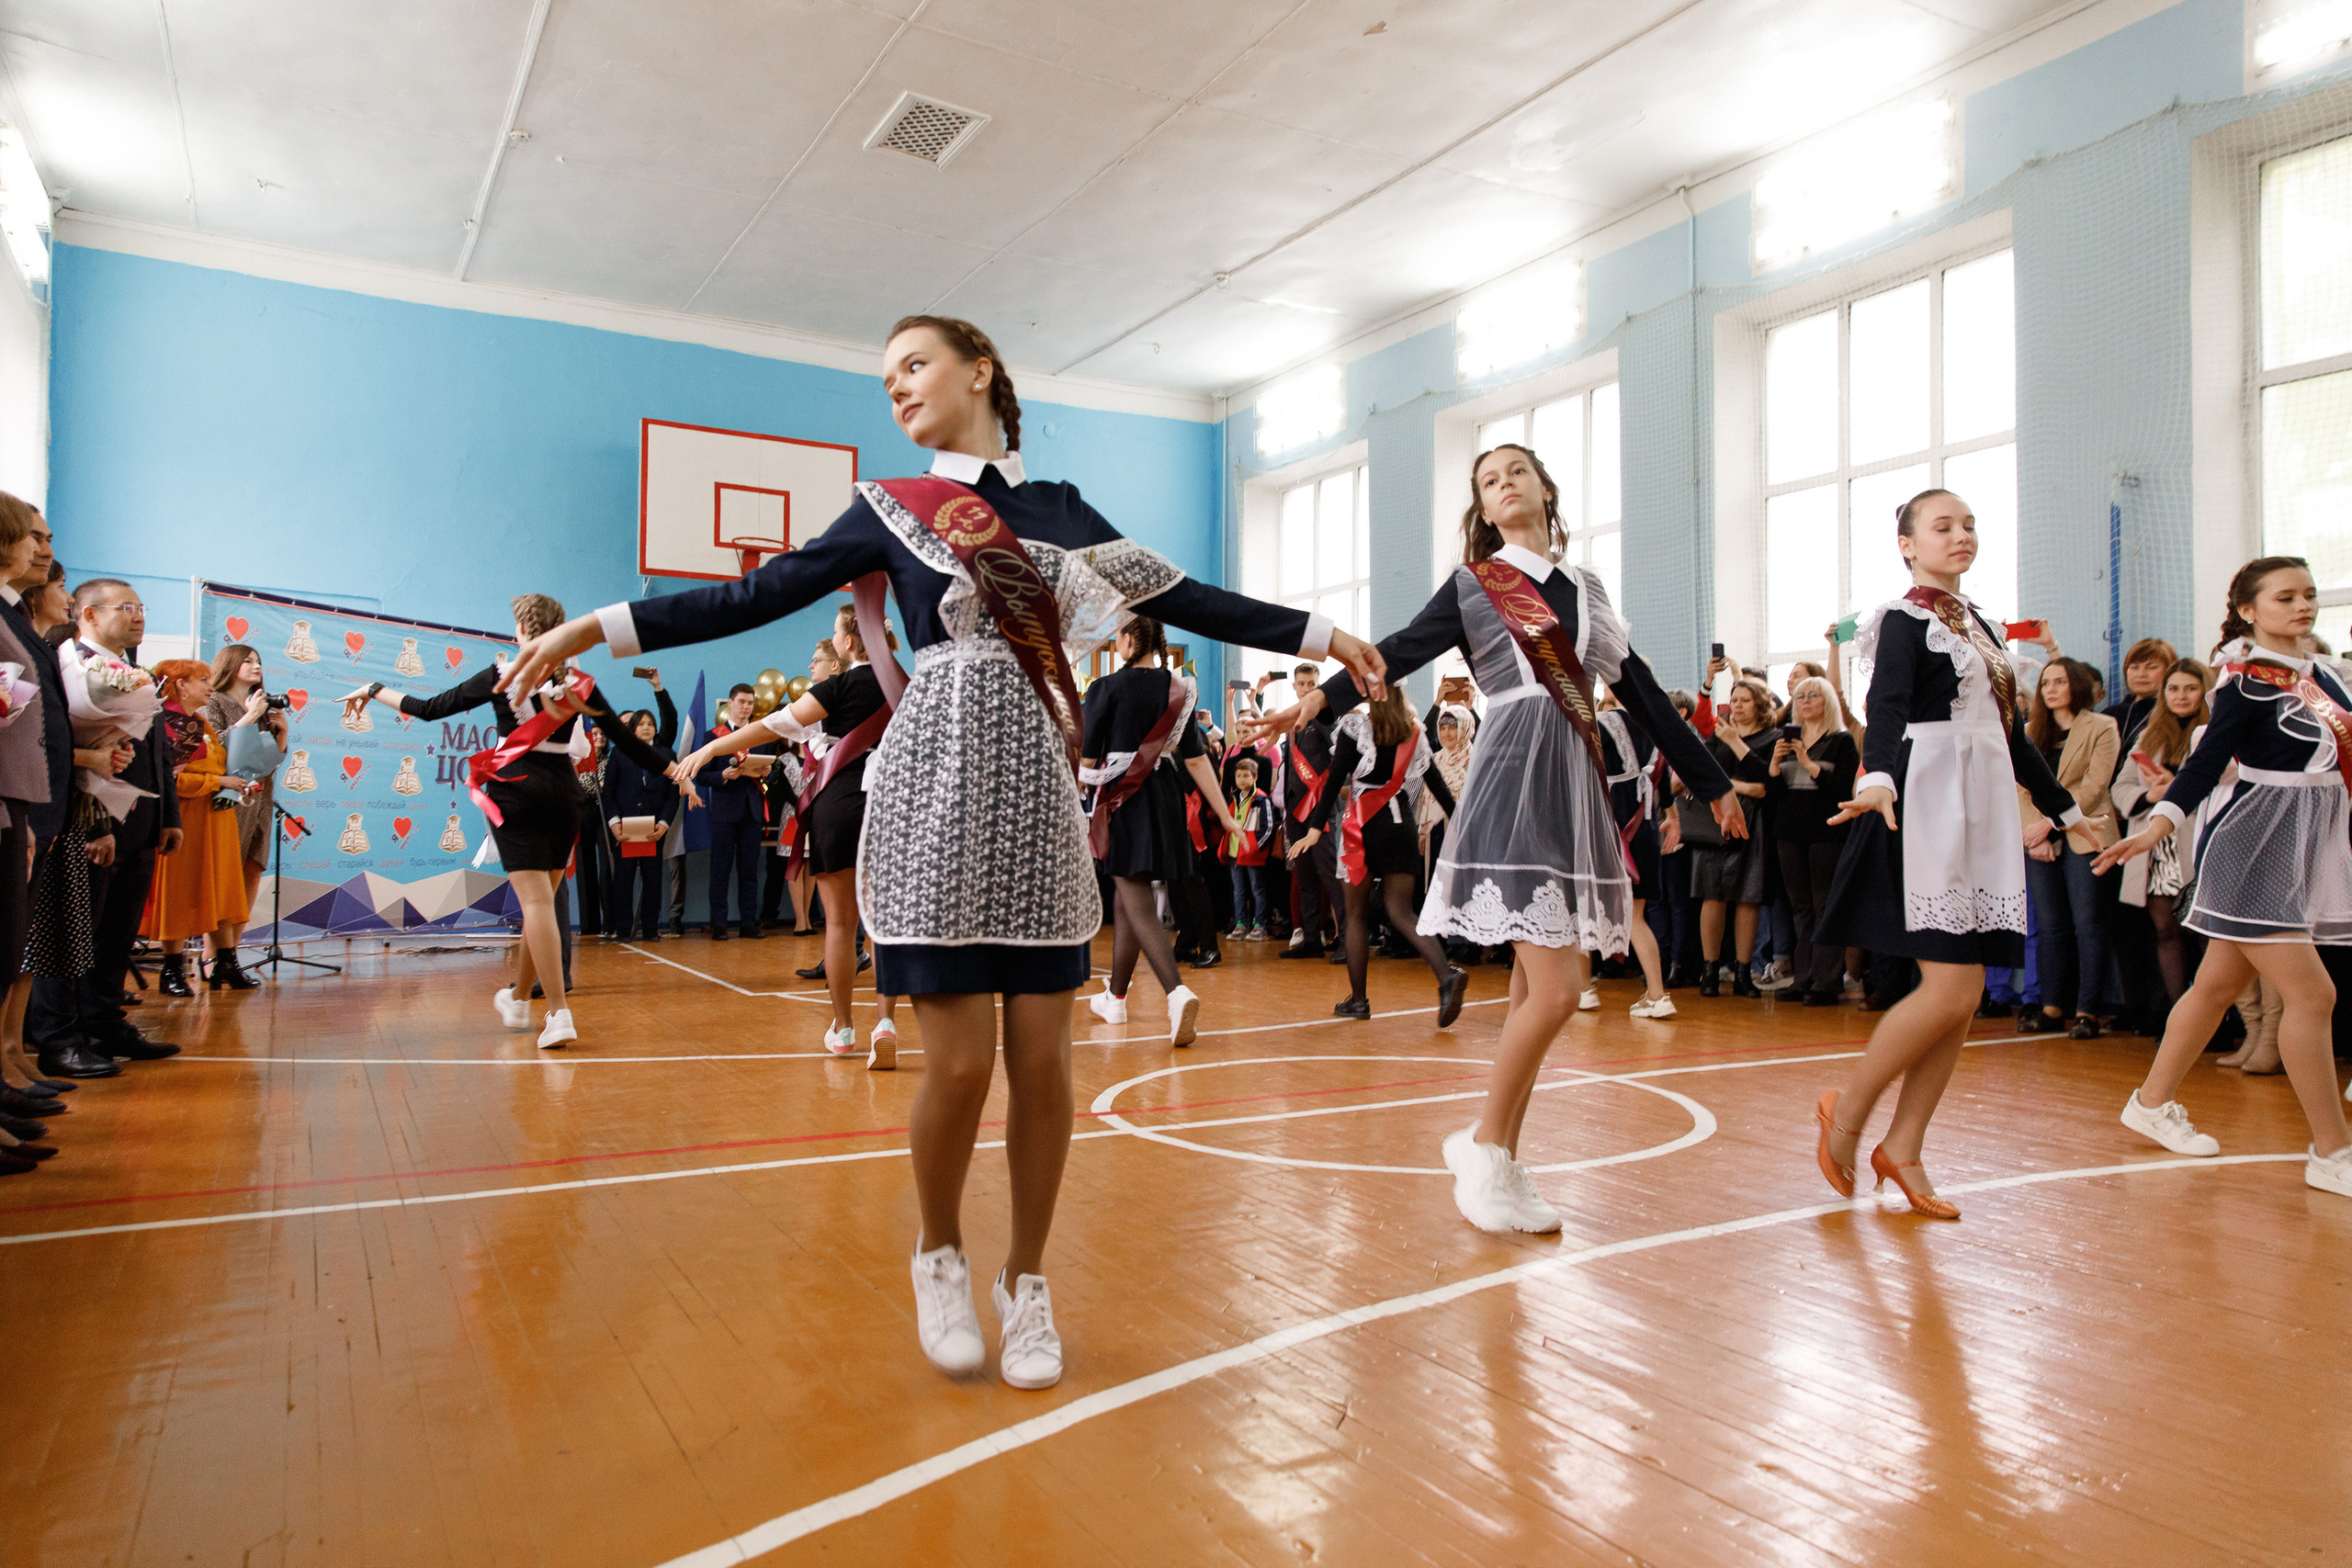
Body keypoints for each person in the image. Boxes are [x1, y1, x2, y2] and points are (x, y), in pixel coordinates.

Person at [499, 314, 1383, 1389]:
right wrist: (596, 625)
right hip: (935, 788)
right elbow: (753, 593)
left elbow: (1187, 596)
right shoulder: (889, 508)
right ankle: (939, 1251)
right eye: (885, 378)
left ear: (981, 372)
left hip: (1039, 796)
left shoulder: (1062, 515)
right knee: (960, 1065)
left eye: (913, 366)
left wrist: (1325, 635)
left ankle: (1028, 1280)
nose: (896, 389)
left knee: (1044, 1067)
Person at [1250, 441, 1736, 1235]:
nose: (1503, 484)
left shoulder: (1586, 589)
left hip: (1570, 778)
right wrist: (1318, 702)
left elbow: (1639, 690)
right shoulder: (1477, 585)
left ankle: (1500, 1151)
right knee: (1553, 989)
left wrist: (1711, 782)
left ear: (1545, 487)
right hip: (1512, 773)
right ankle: (1485, 1149)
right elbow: (1397, 650)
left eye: (1516, 471)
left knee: (1529, 985)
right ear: (1481, 507)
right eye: (1487, 480)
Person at [1813, 489, 2081, 1219]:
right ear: (1907, 544)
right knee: (1953, 989)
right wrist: (1874, 778)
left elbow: (2011, 736)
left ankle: (1904, 1143)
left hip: (1982, 805)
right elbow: (1889, 707)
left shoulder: (1985, 627)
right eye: (1942, 525)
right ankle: (1848, 1114)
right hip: (1924, 802)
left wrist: (2064, 806)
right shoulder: (1902, 618)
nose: (1960, 534)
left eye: (1969, 523)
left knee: (1959, 1000)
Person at [2093, 558, 2352, 1199]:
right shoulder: (2241, 684)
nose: (2303, 605)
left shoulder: (2326, 677)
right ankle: (2332, 1150)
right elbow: (2203, 766)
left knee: (2213, 988)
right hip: (2253, 846)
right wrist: (2156, 825)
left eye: (2309, 595)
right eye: (2285, 596)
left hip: (2307, 843)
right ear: (2247, 609)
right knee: (2313, 996)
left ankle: (2151, 1103)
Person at [340, 593, 680, 1049]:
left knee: (536, 905)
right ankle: (519, 998)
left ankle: (559, 1013)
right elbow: (628, 742)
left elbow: (427, 708)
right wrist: (676, 771)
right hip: (564, 795)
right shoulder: (578, 683)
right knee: (543, 902)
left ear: (520, 631)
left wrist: (374, 688)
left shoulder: (500, 676)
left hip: (515, 790)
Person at [679, 603, 905, 1062]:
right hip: (893, 805)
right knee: (884, 925)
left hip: (841, 804)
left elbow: (773, 725)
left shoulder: (837, 685)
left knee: (841, 924)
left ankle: (843, 1030)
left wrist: (712, 749)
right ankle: (887, 1022)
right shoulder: (908, 685)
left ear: (846, 643)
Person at [28, 581, 181, 1071]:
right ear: (90, 615)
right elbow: (59, 747)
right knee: (70, 934)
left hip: (139, 823)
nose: (139, 616)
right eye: (127, 607)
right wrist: (96, 822)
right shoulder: (67, 665)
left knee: (116, 937)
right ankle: (58, 1034)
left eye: (142, 607)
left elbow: (156, 753)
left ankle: (105, 1024)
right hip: (89, 820)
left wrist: (168, 815)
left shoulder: (130, 672)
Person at [1078, 617, 1239, 1045]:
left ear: (1129, 641)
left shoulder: (1105, 688)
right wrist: (1224, 814)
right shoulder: (1180, 689)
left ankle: (1175, 992)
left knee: (1134, 897)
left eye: (1118, 639)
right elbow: (1196, 759)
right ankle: (1115, 997)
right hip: (1166, 796)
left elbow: (1090, 762)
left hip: (1123, 799)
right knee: (1130, 894)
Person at [1302, 683, 1460, 1021]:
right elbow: (1435, 782)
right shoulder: (1414, 732)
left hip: (1362, 827)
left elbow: (1333, 783)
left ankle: (1358, 1001)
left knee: (1355, 916)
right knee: (1402, 913)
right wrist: (1461, 823)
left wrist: (1315, 830)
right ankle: (1446, 975)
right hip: (1401, 826)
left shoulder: (1354, 727)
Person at [2012, 657, 2120, 1038]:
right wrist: (2035, 833)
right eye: (2045, 684)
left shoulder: (2102, 726)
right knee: (2052, 926)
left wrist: (2051, 824)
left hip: (2087, 836)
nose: (2052, 689)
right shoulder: (2028, 731)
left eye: (2060, 682)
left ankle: (2088, 1011)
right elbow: (2020, 789)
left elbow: (2094, 786)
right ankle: (2052, 1007)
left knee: (2088, 925)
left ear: (2077, 685)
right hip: (2040, 841)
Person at [141, 661, 257, 997]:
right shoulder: (168, 723)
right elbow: (171, 779)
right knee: (179, 893)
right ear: (179, 685)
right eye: (202, 680)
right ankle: (172, 969)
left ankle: (226, 963)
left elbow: (220, 763)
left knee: (221, 891)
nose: (210, 686)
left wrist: (234, 785)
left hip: (216, 819)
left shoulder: (201, 721)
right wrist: (217, 781)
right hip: (186, 819)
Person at [2109, 658, 2211, 1035]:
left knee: (2203, 935)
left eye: (2190, 688)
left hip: (2197, 844)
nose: (2180, 696)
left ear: (2205, 691)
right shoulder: (2149, 735)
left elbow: (2227, 786)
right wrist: (2150, 794)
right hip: (2154, 850)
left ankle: (2209, 1021)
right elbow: (2120, 789)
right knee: (2165, 932)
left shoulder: (2214, 732)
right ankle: (2176, 1019)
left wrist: (2179, 786)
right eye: (2173, 689)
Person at [196, 644, 285, 988]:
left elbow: (269, 757)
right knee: (223, 877)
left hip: (260, 799)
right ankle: (211, 955)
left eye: (259, 661)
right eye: (247, 661)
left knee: (251, 872)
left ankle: (231, 954)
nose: (256, 666)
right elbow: (211, 746)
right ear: (229, 665)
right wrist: (248, 718)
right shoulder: (214, 701)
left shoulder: (263, 706)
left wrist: (282, 732)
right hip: (228, 798)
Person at [1766, 676, 1859, 1007]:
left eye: (1813, 696)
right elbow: (1774, 795)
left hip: (1826, 832)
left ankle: (1827, 981)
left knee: (1824, 906)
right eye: (1800, 696)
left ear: (1827, 702)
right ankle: (1803, 977)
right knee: (1800, 908)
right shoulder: (1785, 740)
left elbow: (1841, 790)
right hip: (1789, 832)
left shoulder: (1841, 742)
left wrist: (1808, 764)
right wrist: (1775, 765)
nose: (1805, 701)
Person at [1692, 676, 1772, 998]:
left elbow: (1764, 784)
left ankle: (1743, 974)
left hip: (1754, 821)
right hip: (1717, 819)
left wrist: (1731, 782)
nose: (1737, 706)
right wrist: (1738, 787)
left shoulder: (1771, 736)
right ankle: (1709, 972)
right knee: (1712, 895)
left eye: (1745, 700)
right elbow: (1703, 773)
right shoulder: (1716, 736)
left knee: (1747, 897)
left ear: (1760, 704)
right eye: (1734, 700)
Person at [1596, 690, 1674, 1018]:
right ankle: (1657, 994)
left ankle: (1583, 989)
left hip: (1612, 828)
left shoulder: (1599, 724)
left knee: (1585, 908)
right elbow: (1664, 787)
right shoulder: (1654, 730)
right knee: (1636, 918)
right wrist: (1672, 816)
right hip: (1645, 830)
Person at [1276, 660, 1347, 961]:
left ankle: (1347, 940)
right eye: (1301, 685)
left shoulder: (1328, 718)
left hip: (1321, 809)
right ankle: (1310, 938)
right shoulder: (1292, 723)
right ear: (1294, 687)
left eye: (1311, 684)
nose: (1306, 689)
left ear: (1319, 685)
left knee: (1330, 875)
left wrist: (1316, 715)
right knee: (1305, 876)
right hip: (1294, 808)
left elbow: (1340, 752)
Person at [695, 683, 774, 942]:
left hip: (752, 811)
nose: (745, 707)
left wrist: (766, 776)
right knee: (720, 870)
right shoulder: (714, 736)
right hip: (724, 812)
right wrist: (723, 776)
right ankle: (719, 924)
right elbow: (702, 776)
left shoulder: (761, 736)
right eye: (741, 702)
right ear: (730, 703)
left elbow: (768, 781)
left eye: (750, 703)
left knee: (749, 871)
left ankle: (748, 923)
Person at [601, 703, 679, 942]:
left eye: (650, 724)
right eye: (641, 724)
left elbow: (673, 794)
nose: (646, 728)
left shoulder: (667, 755)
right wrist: (614, 823)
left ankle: (651, 929)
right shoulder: (619, 753)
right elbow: (609, 792)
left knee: (653, 879)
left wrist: (664, 823)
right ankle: (623, 930)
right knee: (623, 879)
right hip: (625, 829)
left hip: (653, 830)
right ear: (632, 729)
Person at [1225, 754, 1276, 938]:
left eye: (1246, 776)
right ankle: (1240, 924)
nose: (1241, 779)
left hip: (1253, 853)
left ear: (1255, 777)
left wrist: (1256, 847)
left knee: (1257, 889)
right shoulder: (1233, 797)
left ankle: (1260, 925)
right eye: (1239, 776)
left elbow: (1268, 827)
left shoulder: (1262, 799)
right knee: (1238, 890)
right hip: (1235, 851)